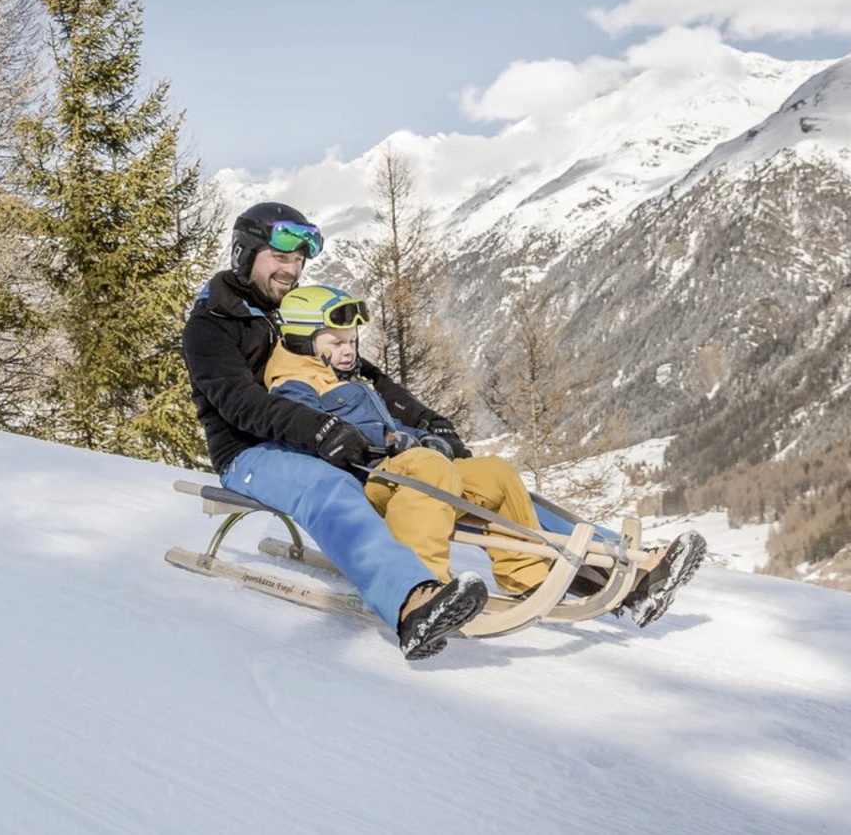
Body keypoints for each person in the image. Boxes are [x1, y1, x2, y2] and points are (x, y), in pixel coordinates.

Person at [268, 287, 706, 628]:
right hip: (370, 480)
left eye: (352, 340)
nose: (349, 350)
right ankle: (422, 588)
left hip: (406, 468)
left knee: (494, 472)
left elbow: (391, 425)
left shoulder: (346, 375)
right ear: (303, 338)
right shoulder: (294, 383)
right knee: (429, 468)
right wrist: (384, 442)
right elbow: (312, 432)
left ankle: (527, 574)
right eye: (336, 341)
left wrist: (423, 436)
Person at [181, 202, 485, 660]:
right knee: (329, 489)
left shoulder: (293, 313)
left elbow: (365, 374)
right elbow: (239, 403)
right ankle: (411, 602)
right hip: (250, 452)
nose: (290, 270)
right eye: (279, 258)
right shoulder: (211, 324)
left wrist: (425, 421)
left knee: (458, 473)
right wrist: (320, 429)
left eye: (297, 260)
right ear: (244, 254)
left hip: (313, 439)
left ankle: (582, 562)